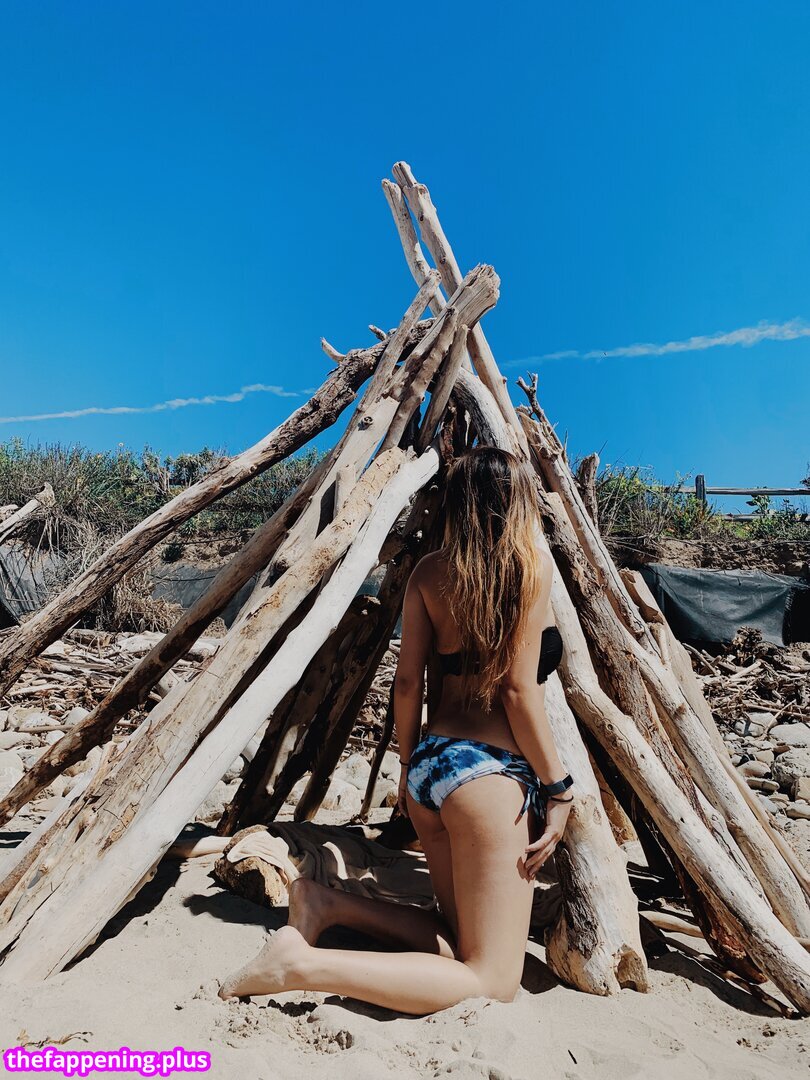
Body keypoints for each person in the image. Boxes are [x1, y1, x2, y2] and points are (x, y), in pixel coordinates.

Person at [219, 446, 575, 1014]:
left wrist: (410, 768)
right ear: (516, 501)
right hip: (489, 778)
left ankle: (325, 903)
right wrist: (559, 789)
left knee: (458, 941)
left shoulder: (429, 572)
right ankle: (300, 966)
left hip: (434, 763)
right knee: (493, 979)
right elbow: (516, 691)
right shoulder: (528, 569)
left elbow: (407, 685)